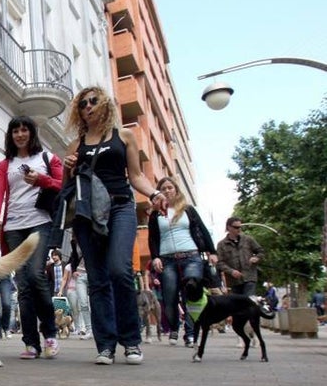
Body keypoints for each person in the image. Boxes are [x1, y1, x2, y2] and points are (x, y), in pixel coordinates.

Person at [61, 86, 168, 365]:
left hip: (120, 206)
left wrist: (155, 194)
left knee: (119, 270)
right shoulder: (76, 144)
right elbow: (67, 188)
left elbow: (135, 176)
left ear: (105, 104)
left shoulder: (125, 136)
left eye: (93, 101)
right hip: (88, 215)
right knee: (96, 280)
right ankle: (105, 345)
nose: (88, 106)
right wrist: (68, 167)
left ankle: (131, 341)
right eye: (83, 103)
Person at [0, 116, 63, 359]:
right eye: (15, 130)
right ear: (11, 135)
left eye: (24, 130)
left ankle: (50, 333)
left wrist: (41, 179)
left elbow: (63, 185)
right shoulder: (5, 164)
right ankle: (31, 343)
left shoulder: (47, 158)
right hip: (14, 228)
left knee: (36, 275)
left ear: (31, 133)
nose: (20, 134)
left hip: (40, 223)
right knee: (24, 284)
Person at [148, 176, 218, 347]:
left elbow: (202, 229)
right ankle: (173, 327)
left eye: (170, 188)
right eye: (163, 189)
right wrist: (155, 256)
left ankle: (191, 333)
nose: (167, 191)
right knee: (169, 297)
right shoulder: (155, 214)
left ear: (176, 190)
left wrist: (212, 251)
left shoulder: (188, 210)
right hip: (167, 260)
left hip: (191, 257)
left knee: (192, 295)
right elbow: (152, 238)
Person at [216, 217, 264, 297]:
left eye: (240, 227)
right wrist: (231, 271)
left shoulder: (248, 240)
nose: (239, 229)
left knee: (249, 301)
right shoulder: (221, 245)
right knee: (237, 305)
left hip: (249, 277)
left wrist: (257, 258)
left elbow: (261, 251)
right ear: (229, 227)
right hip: (233, 281)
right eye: (236, 227)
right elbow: (220, 263)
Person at [61, 242, 92, 339]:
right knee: (82, 304)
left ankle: (96, 328)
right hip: (80, 276)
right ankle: (88, 329)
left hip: (94, 274)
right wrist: (74, 270)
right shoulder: (75, 243)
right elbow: (74, 257)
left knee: (94, 303)